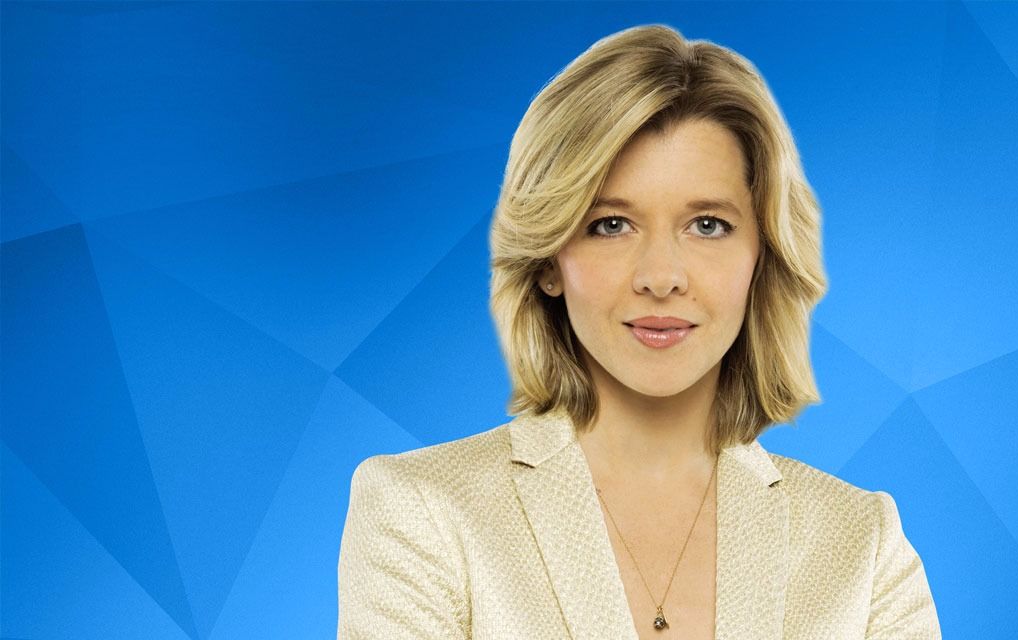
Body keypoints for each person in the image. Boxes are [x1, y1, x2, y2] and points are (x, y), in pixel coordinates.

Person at [337, 24, 941, 640]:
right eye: (611, 225)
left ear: (762, 256)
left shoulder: (861, 544)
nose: (661, 278)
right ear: (548, 260)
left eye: (707, 225)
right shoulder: (422, 513)